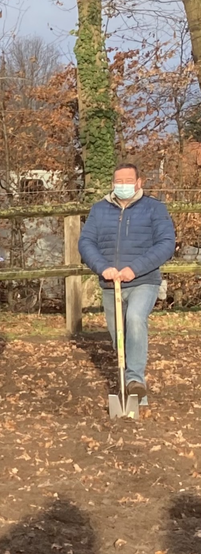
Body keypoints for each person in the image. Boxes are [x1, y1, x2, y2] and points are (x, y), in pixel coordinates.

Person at [79, 163, 176, 405]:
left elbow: (165, 243)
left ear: (139, 182)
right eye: (118, 181)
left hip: (144, 280)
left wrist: (136, 268)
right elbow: (86, 243)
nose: (122, 185)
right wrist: (103, 268)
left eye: (128, 181)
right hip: (111, 283)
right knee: (118, 337)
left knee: (134, 319)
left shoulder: (154, 208)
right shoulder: (99, 210)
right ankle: (128, 386)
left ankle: (135, 382)